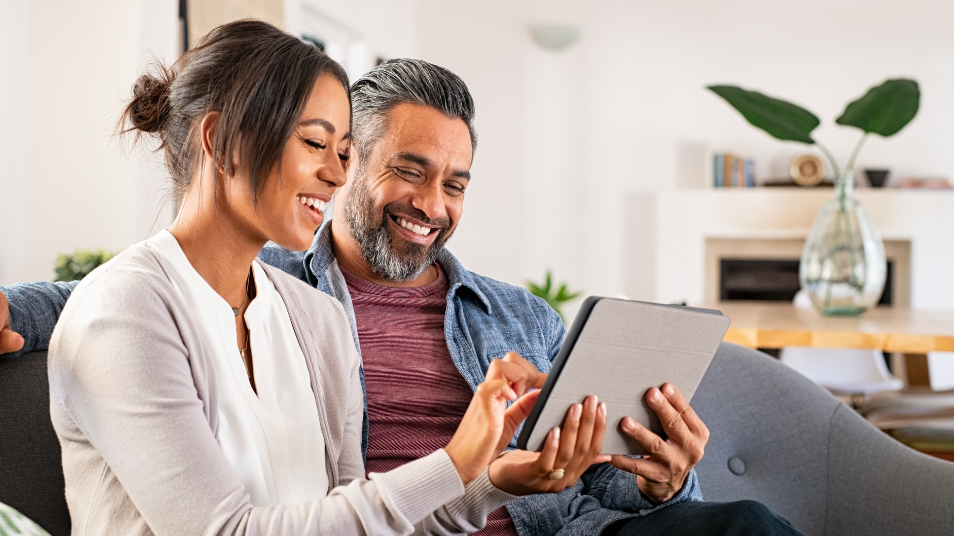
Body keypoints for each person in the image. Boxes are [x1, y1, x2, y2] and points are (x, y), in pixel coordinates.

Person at [0, 56, 801, 535]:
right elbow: (141, 294)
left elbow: (599, 488)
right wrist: (16, 310)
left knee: (745, 525)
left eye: (455, 183)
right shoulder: (287, 293)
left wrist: (661, 477)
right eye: (409, 169)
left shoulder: (520, 317)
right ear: (353, 166)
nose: (432, 203)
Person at [26, 20, 611, 535]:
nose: (336, 175)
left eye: (345, 151)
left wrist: (492, 479)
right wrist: (455, 461)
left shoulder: (315, 318)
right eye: (315, 143)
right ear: (219, 140)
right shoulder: (122, 310)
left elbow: (353, 518)